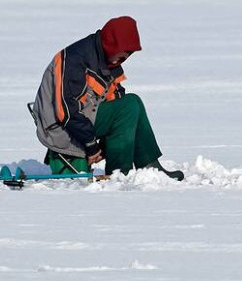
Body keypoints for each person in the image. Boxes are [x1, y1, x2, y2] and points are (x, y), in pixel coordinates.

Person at [28, 16, 183, 180]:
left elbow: (114, 98)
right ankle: (119, 173)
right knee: (129, 106)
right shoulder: (74, 59)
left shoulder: (107, 60)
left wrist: (103, 144)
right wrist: (91, 145)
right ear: (111, 44)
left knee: (132, 102)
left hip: (83, 120)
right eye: (123, 54)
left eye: (128, 55)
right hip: (59, 128)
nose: (124, 59)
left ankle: (150, 166)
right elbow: (66, 112)